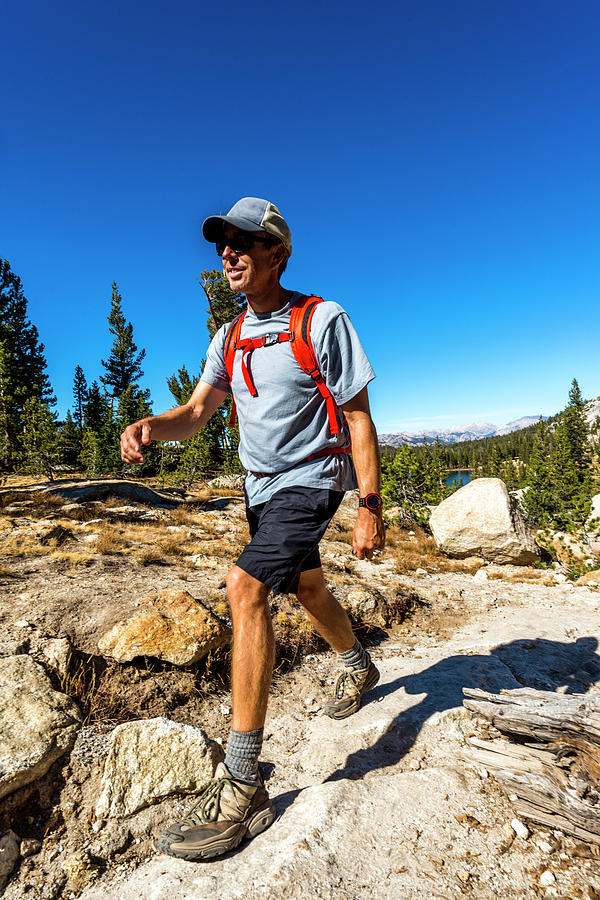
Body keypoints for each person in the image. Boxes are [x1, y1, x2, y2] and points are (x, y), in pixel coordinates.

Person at [120, 197, 386, 861]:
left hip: (313, 482)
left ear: (278, 252)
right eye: (222, 245)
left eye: (243, 242)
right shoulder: (230, 336)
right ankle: (357, 662)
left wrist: (370, 505)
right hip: (261, 491)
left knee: (245, 589)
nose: (228, 254)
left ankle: (244, 787)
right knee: (306, 588)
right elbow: (197, 410)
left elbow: (357, 416)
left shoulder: (321, 318)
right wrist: (156, 426)